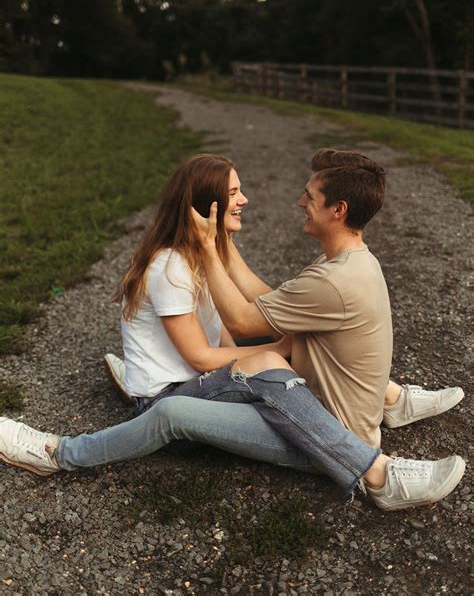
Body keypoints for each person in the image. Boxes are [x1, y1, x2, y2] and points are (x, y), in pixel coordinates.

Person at [0, 153, 465, 511]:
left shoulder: (309, 273)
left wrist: (267, 346)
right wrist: (270, 354)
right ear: (208, 206)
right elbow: (226, 339)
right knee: (243, 373)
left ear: (337, 210)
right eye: (235, 193)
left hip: (259, 405)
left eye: (309, 195)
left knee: (265, 362)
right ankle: (56, 452)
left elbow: (237, 323)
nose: (247, 200)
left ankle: (387, 407)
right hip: (194, 391)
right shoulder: (176, 267)